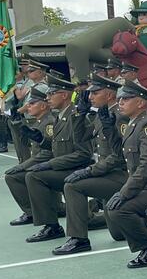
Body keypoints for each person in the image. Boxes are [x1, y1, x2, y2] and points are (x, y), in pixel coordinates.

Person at [53, 76, 131, 255]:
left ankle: (78, 239)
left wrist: (90, 171)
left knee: (72, 187)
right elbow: (80, 138)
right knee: (118, 234)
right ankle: (91, 218)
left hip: (121, 175)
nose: (90, 97)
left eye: (95, 92)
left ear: (110, 94)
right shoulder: (100, 115)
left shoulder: (118, 117)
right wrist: (80, 115)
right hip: (107, 174)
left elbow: (119, 157)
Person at [105, 81, 147, 268]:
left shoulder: (146, 124)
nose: (120, 102)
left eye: (126, 99)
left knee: (119, 208)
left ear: (141, 103)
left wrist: (125, 192)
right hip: (142, 186)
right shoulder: (132, 124)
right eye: (120, 99)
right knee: (115, 206)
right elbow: (119, 154)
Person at [23, 75, 94, 243]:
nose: (47, 97)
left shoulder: (76, 115)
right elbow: (60, 148)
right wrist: (41, 140)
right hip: (63, 167)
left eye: (51, 93)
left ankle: (55, 226)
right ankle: (50, 224)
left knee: (34, 176)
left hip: (76, 169)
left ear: (64, 95)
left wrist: (49, 164)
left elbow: (83, 154)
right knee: (30, 175)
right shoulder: (59, 116)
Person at [4, 88, 57, 226]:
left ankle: (33, 212)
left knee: (15, 177)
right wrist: (18, 125)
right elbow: (26, 144)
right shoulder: (38, 122)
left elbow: (48, 152)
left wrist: (23, 166)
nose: (28, 107)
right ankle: (32, 211)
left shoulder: (49, 123)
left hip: (48, 165)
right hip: (38, 163)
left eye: (32, 104)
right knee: (14, 176)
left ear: (43, 105)